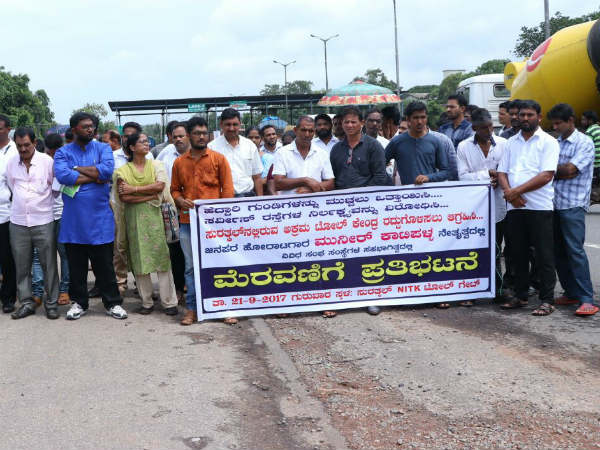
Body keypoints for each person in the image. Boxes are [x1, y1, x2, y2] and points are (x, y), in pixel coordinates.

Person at [54, 112, 127, 320]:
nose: (90, 129)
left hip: (100, 220)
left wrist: (77, 169)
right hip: (74, 222)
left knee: (105, 266)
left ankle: (112, 303)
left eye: (92, 126)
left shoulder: (103, 148)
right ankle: (79, 303)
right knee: (76, 268)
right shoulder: (62, 152)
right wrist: (94, 176)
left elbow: (106, 172)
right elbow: (63, 176)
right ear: (74, 129)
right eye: (85, 126)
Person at [385, 102, 451, 308]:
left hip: (431, 206)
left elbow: (447, 171)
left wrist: (429, 178)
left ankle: (436, 294)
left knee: (433, 247)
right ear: (408, 120)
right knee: (407, 248)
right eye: (415, 118)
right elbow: (380, 164)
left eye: (423, 117)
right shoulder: (397, 142)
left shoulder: (436, 141)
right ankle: (409, 292)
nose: (420, 121)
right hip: (405, 207)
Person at [497, 100, 559, 316]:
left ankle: (547, 300)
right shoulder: (511, 143)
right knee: (517, 253)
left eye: (529, 115)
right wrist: (510, 193)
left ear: (539, 117)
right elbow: (502, 172)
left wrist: (515, 192)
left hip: (539, 206)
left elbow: (546, 175)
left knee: (544, 255)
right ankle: (521, 295)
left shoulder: (549, 141)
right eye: (521, 114)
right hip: (515, 208)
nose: (524, 118)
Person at [171, 117, 235, 325]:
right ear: (189, 136)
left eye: (204, 133)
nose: (201, 136)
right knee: (191, 267)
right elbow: (174, 190)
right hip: (188, 222)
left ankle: (224, 307)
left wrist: (222, 216)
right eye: (197, 133)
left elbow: (228, 190)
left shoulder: (219, 159)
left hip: (214, 224)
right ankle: (192, 309)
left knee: (219, 264)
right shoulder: (179, 162)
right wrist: (180, 200)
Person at [330, 106, 392, 316]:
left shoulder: (373, 146)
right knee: (344, 253)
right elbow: (334, 180)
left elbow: (380, 177)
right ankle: (345, 296)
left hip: (368, 210)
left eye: (353, 122)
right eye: (346, 122)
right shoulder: (336, 149)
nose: (349, 125)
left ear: (362, 123)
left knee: (370, 254)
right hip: (342, 212)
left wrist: (360, 199)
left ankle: (373, 297)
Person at [113, 133, 178, 316]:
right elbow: (124, 197)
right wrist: (150, 195)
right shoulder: (122, 171)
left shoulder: (157, 165)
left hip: (157, 219)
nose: (146, 144)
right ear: (132, 147)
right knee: (139, 259)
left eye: (146, 141)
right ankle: (146, 302)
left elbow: (160, 187)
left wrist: (134, 189)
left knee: (163, 259)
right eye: (141, 142)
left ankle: (169, 302)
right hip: (134, 221)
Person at [548, 103, 597, 316]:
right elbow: (564, 171)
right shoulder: (555, 142)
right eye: (553, 124)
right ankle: (571, 292)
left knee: (575, 251)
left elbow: (570, 170)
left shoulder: (584, 142)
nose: (555, 127)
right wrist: (557, 171)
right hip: (553, 203)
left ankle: (587, 299)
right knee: (558, 251)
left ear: (571, 120)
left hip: (573, 203)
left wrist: (548, 171)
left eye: (558, 123)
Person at [6, 128, 59, 320]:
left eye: (27, 145)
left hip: (43, 220)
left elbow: (55, 189)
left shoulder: (47, 162)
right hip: (18, 221)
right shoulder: (12, 163)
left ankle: (51, 304)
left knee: (49, 265)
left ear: (35, 143)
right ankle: (27, 303)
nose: (23, 149)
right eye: (19, 146)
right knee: (22, 267)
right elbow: (12, 186)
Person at [457, 108, 507, 302]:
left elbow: (508, 171)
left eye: (491, 126)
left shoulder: (503, 144)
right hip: (475, 209)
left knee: (497, 250)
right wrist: (487, 175)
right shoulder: (464, 147)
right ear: (474, 128)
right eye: (484, 128)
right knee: (475, 250)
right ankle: (472, 292)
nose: (489, 131)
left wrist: (498, 177)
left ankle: (499, 290)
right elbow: (462, 177)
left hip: (500, 205)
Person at [156, 122, 189, 303]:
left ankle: (193, 287)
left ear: (189, 136)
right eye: (175, 137)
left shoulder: (200, 153)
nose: (178, 140)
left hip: (195, 209)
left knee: (194, 250)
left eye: (181, 136)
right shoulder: (166, 154)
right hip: (172, 208)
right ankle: (178, 287)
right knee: (175, 250)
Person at [40, 133, 70, 305]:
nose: (52, 155)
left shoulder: (66, 163)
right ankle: (50, 290)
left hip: (61, 215)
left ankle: (64, 289)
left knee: (63, 255)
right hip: (43, 216)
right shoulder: (41, 163)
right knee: (45, 256)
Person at [273, 116, 334, 195]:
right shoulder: (282, 153)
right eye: (303, 130)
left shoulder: (322, 154)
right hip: (290, 202)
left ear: (314, 132)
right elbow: (278, 184)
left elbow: (330, 183)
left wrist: (312, 188)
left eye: (311, 131)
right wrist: (305, 181)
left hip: (316, 201)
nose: (307, 134)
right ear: (295, 130)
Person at [209, 108, 263, 197]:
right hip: (223, 199)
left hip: (248, 197)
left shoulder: (250, 146)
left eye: (235, 124)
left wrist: (260, 200)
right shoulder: (212, 148)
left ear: (240, 124)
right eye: (228, 124)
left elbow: (257, 177)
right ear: (221, 125)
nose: (231, 128)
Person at [0, 114, 17, 313]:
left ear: (8, 129)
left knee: (7, 259)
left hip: (7, 213)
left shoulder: (15, 151)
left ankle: (8, 298)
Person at [580, 110, 600, 189]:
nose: (581, 122)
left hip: (595, 164)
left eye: (583, 119)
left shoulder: (589, 131)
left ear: (590, 120)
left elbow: (586, 149)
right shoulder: (598, 128)